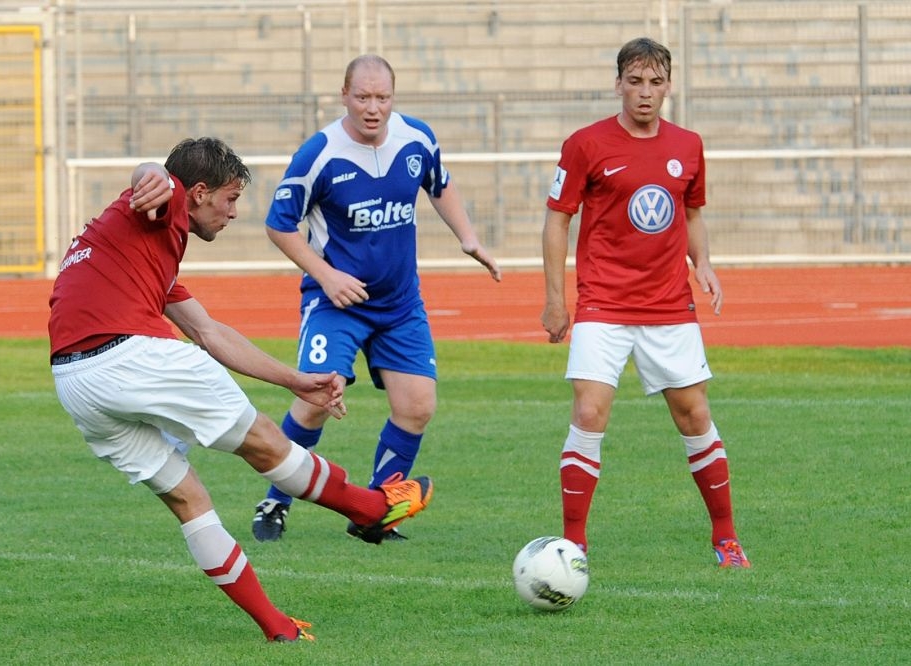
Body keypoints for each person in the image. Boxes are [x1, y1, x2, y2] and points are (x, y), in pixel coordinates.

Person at [47, 137, 434, 643]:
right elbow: (156, 179)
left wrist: (297, 381)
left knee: (189, 500)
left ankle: (276, 628)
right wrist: (154, 176)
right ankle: (372, 509)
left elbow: (211, 334)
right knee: (266, 444)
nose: (233, 213)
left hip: (76, 382)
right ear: (200, 192)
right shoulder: (159, 208)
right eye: (230, 199)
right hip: (128, 355)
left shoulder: (141, 255)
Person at [251, 54, 501, 543]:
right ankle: (274, 501)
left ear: (394, 97)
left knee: (417, 406)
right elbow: (279, 225)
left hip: (400, 303)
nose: (373, 108)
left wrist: (467, 237)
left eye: (382, 97)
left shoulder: (418, 139)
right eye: (362, 97)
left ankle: (375, 510)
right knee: (315, 399)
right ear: (344, 94)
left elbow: (440, 185)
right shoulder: (318, 154)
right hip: (336, 304)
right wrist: (326, 277)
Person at [540, 38, 750, 568]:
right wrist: (555, 299)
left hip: (668, 307)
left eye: (656, 83)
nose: (645, 94)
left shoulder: (689, 145)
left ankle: (725, 538)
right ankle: (574, 545)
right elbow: (557, 219)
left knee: (694, 415)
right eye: (635, 82)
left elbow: (692, 213)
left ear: (668, 87)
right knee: (589, 413)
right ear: (618, 84)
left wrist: (702, 262)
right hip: (603, 305)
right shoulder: (585, 144)